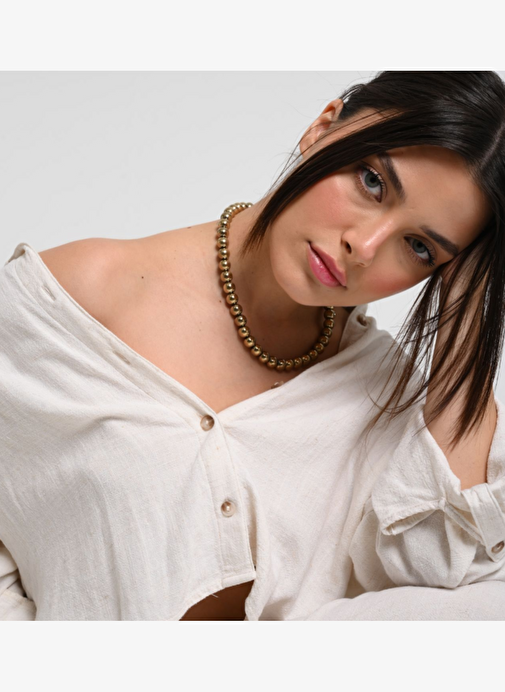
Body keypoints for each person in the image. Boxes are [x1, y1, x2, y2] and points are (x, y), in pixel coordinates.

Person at [1, 71, 505, 621]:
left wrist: (469, 308)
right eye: (372, 181)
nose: (363, 247)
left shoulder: (390, 399)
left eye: (419, 247)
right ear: (321, 128)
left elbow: (447, 575)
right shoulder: (72, 300)